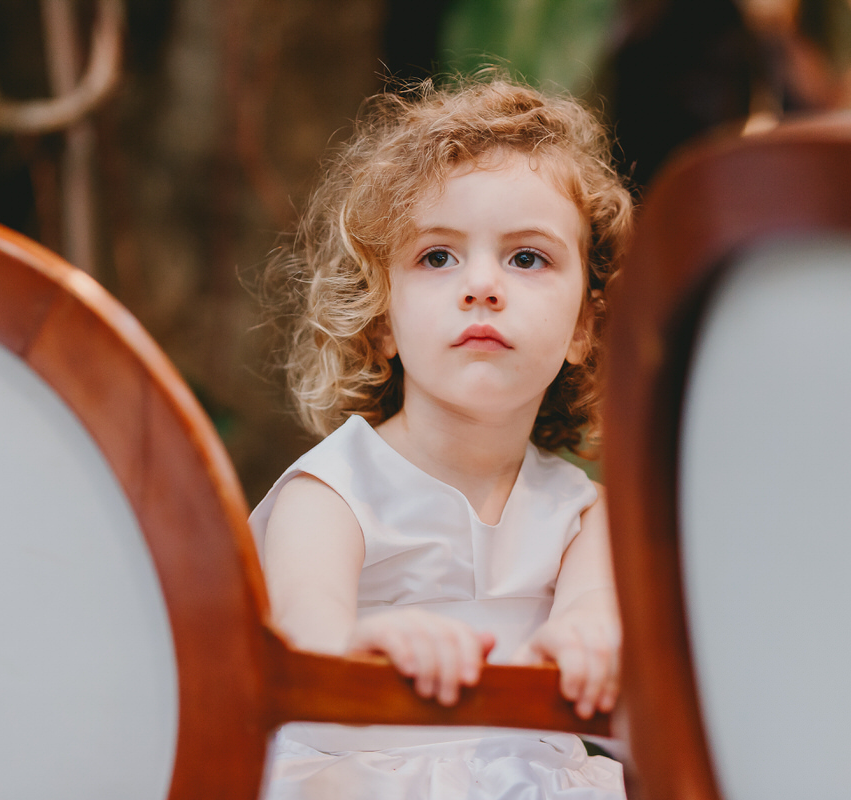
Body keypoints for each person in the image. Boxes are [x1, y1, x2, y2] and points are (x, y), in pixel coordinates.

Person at [251, 74, 634, 799]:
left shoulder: (587, 517)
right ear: (383, 319)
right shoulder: (331, 494)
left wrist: (589, 642)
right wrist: (359, 649)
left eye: (527, 257)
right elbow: (300, 642)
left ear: (585, 327)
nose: (481, 286)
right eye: (437, 256)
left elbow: (596, 620)